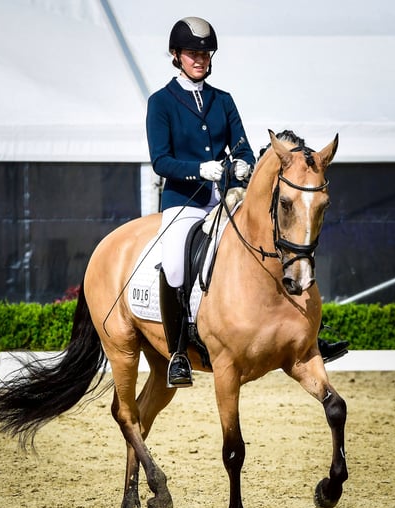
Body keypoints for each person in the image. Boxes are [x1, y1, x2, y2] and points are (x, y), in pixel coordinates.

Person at [146, 17, 347, 388]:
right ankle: (177, 352)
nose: (200, 59)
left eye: (205, 54)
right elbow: (160, 160)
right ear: (176, 56)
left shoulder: (223, 100)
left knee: (275, 244)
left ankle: (308, 334)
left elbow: (240, 143)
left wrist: (242, 161)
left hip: (225, 198)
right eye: (193, 53)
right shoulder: (160, 103)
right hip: (182, 202)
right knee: (174, 263)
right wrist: (198, 169)